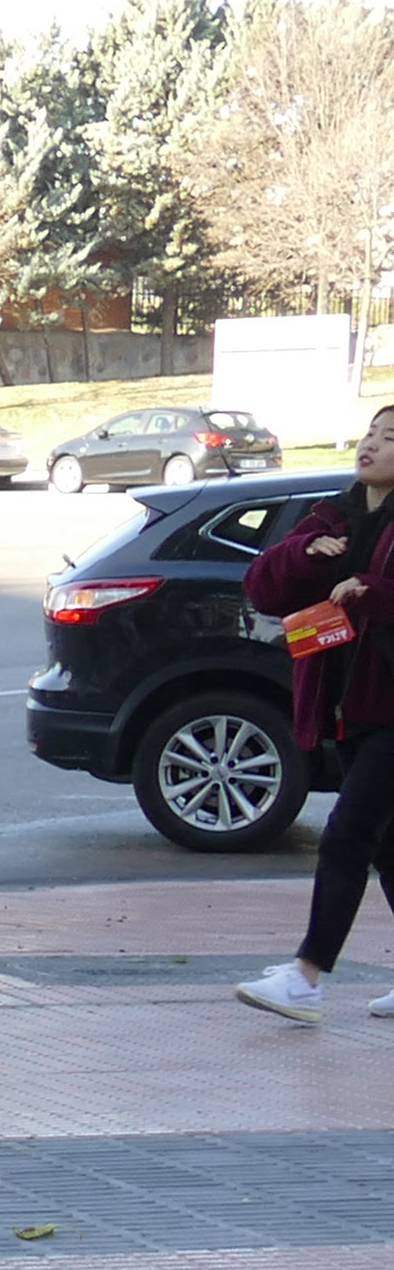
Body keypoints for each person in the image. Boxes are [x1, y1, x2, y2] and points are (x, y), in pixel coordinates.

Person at [237, 404, 394, 1023]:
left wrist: (372, 592)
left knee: (347, 836)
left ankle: (306, 977)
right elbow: (263, 586)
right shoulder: (334, 515)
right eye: (370, 433)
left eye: (390, 437)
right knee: (388, 846)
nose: (371, 444)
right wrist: (306, 555)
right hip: (348, 707)